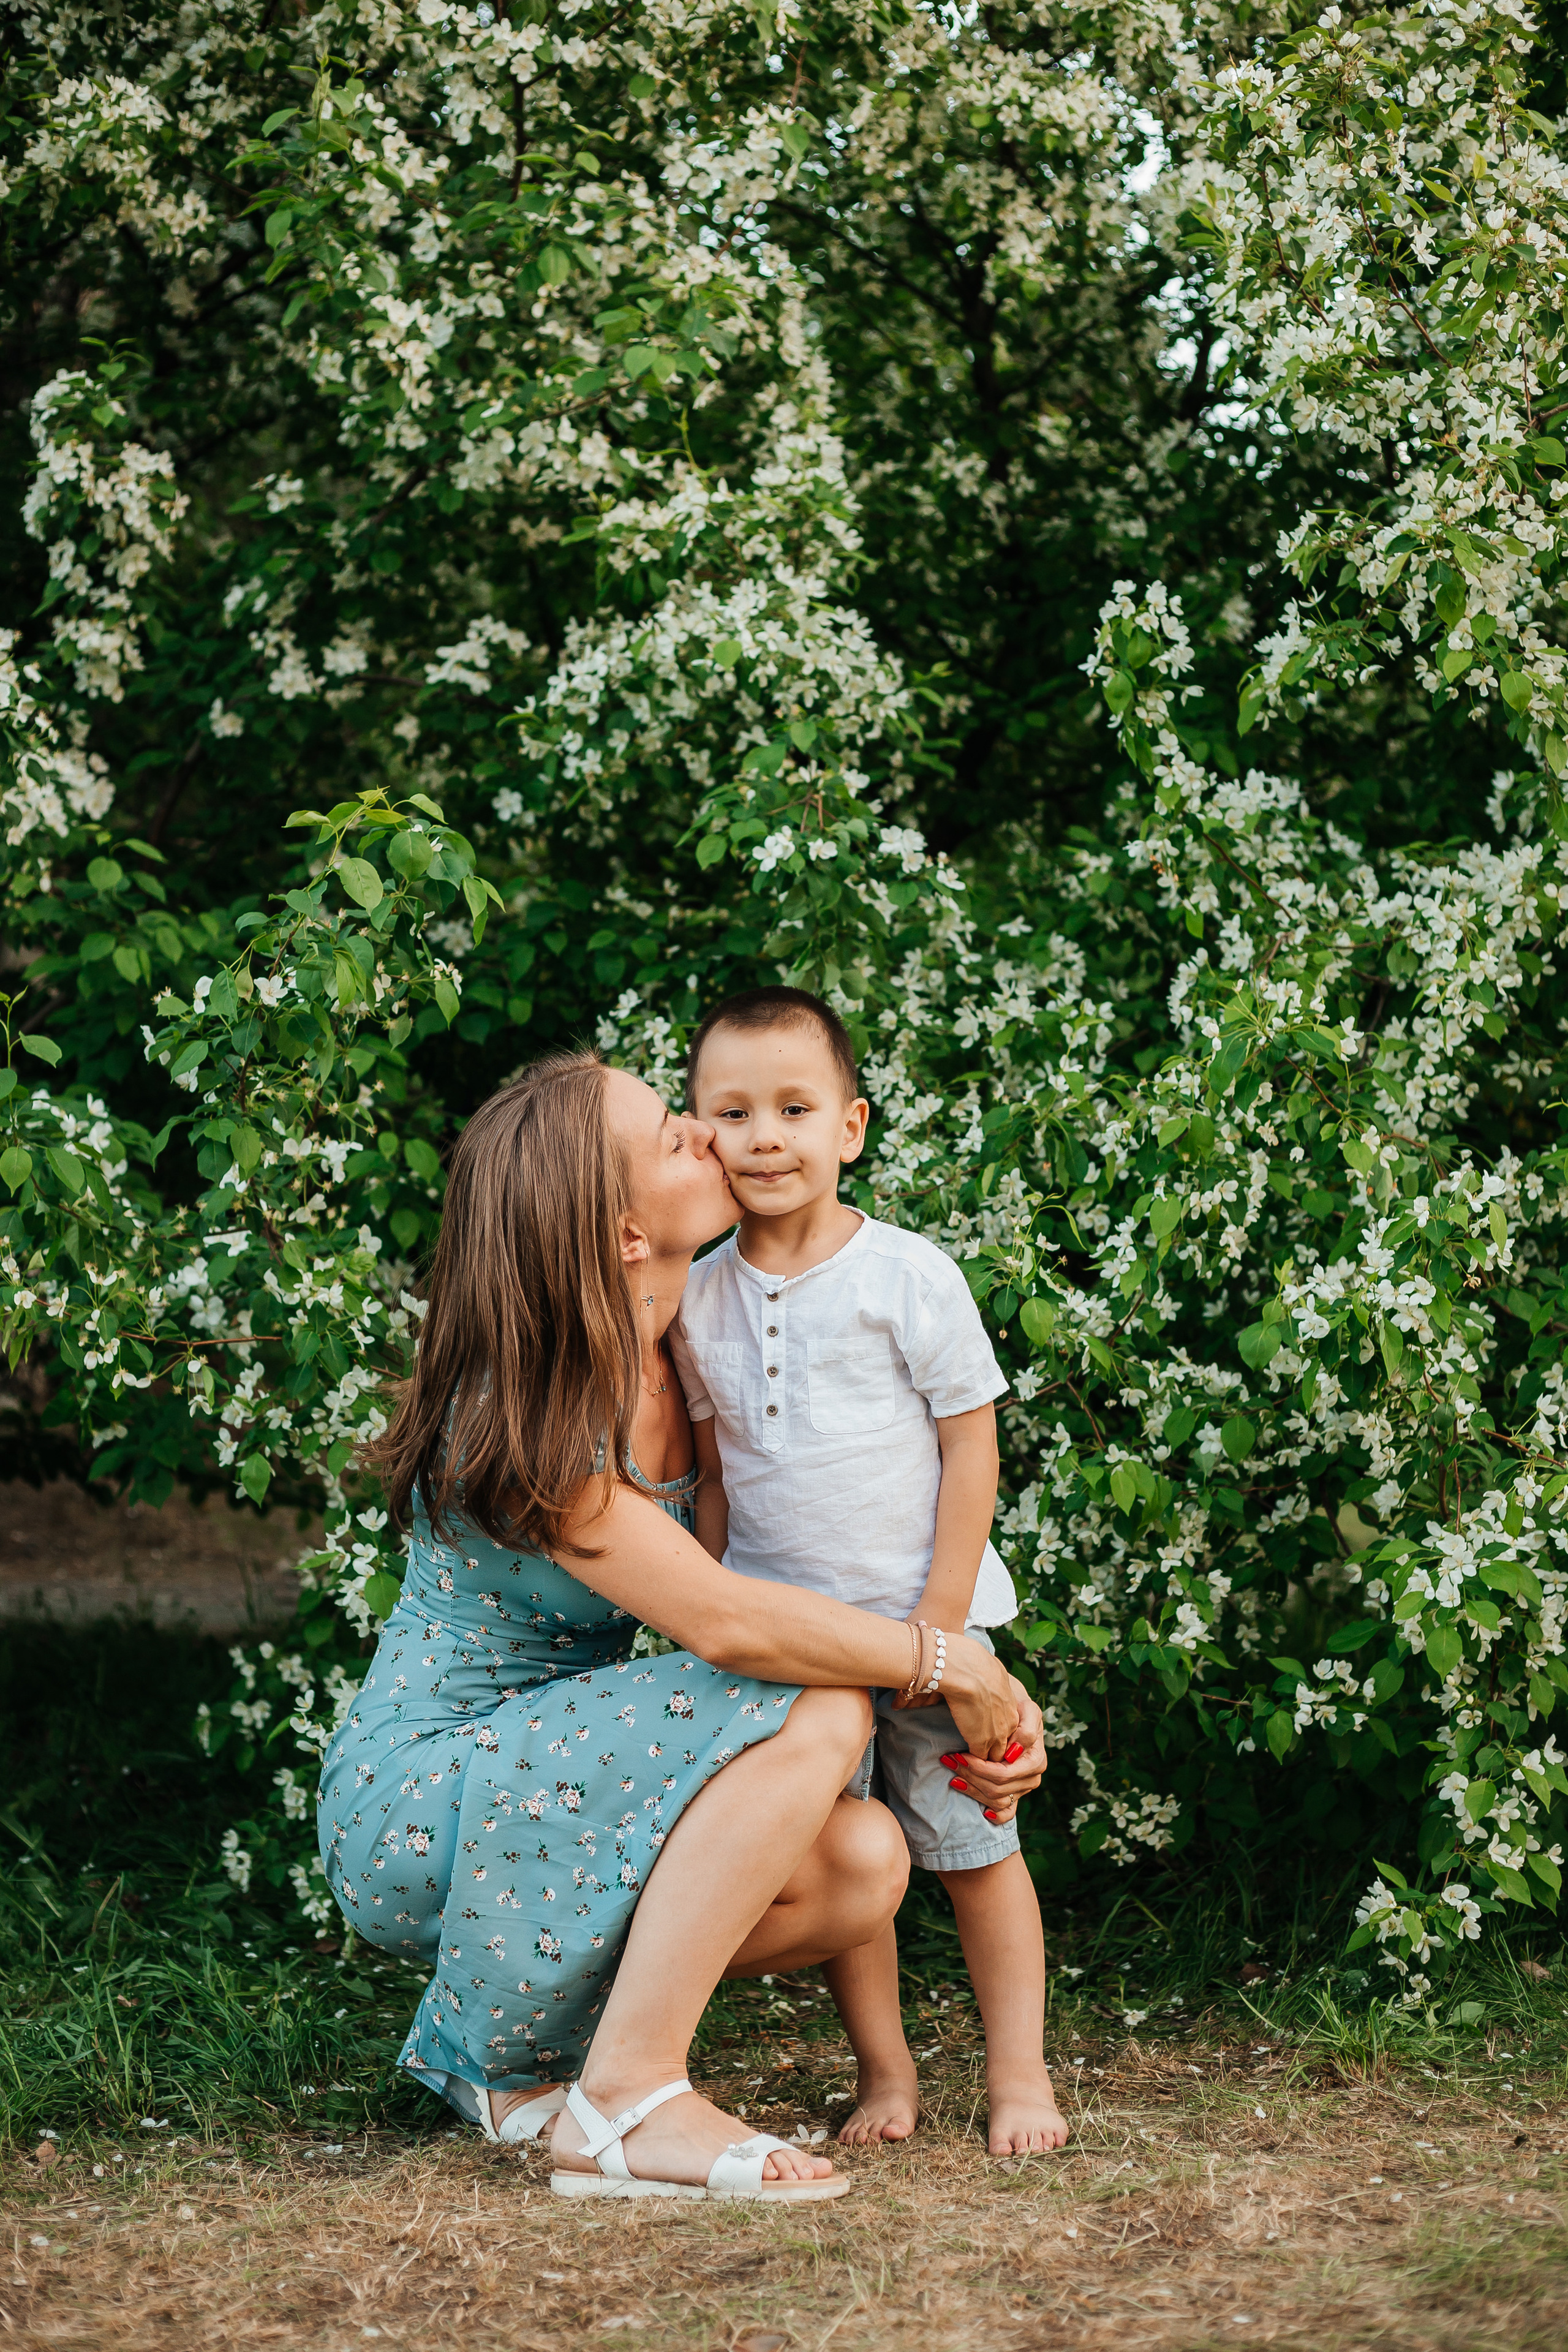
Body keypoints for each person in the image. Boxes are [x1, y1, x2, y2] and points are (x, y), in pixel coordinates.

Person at [316, 1050, 1046, 2200]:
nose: (709, 1136)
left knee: (864, 1863)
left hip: (557, 1770)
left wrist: (970, 1665)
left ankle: (517, 2064)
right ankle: (629, 2100)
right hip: (425, 1795)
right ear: (618, 1233)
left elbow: (828, 1540)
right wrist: (955, 1665)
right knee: (818, 1700)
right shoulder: (526, 1401)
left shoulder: (684, 1350)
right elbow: (730, 1625)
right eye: (671, 1135)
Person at [673, 987, 1068, 2157]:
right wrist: (712, 1599)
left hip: (925, 1627)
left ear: (850, 1126)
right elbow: (711, 1475)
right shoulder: (697, 1298)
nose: (765, 1137)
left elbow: (969, 1440)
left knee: (978, 1852)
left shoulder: (907, 1275)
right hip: (791, 1647)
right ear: (699, 1133)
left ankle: (1021, 2077)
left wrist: (942, 1627)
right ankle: (885, 2074)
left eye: (795, 1108)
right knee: (856, 1869)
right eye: (733, 1113)